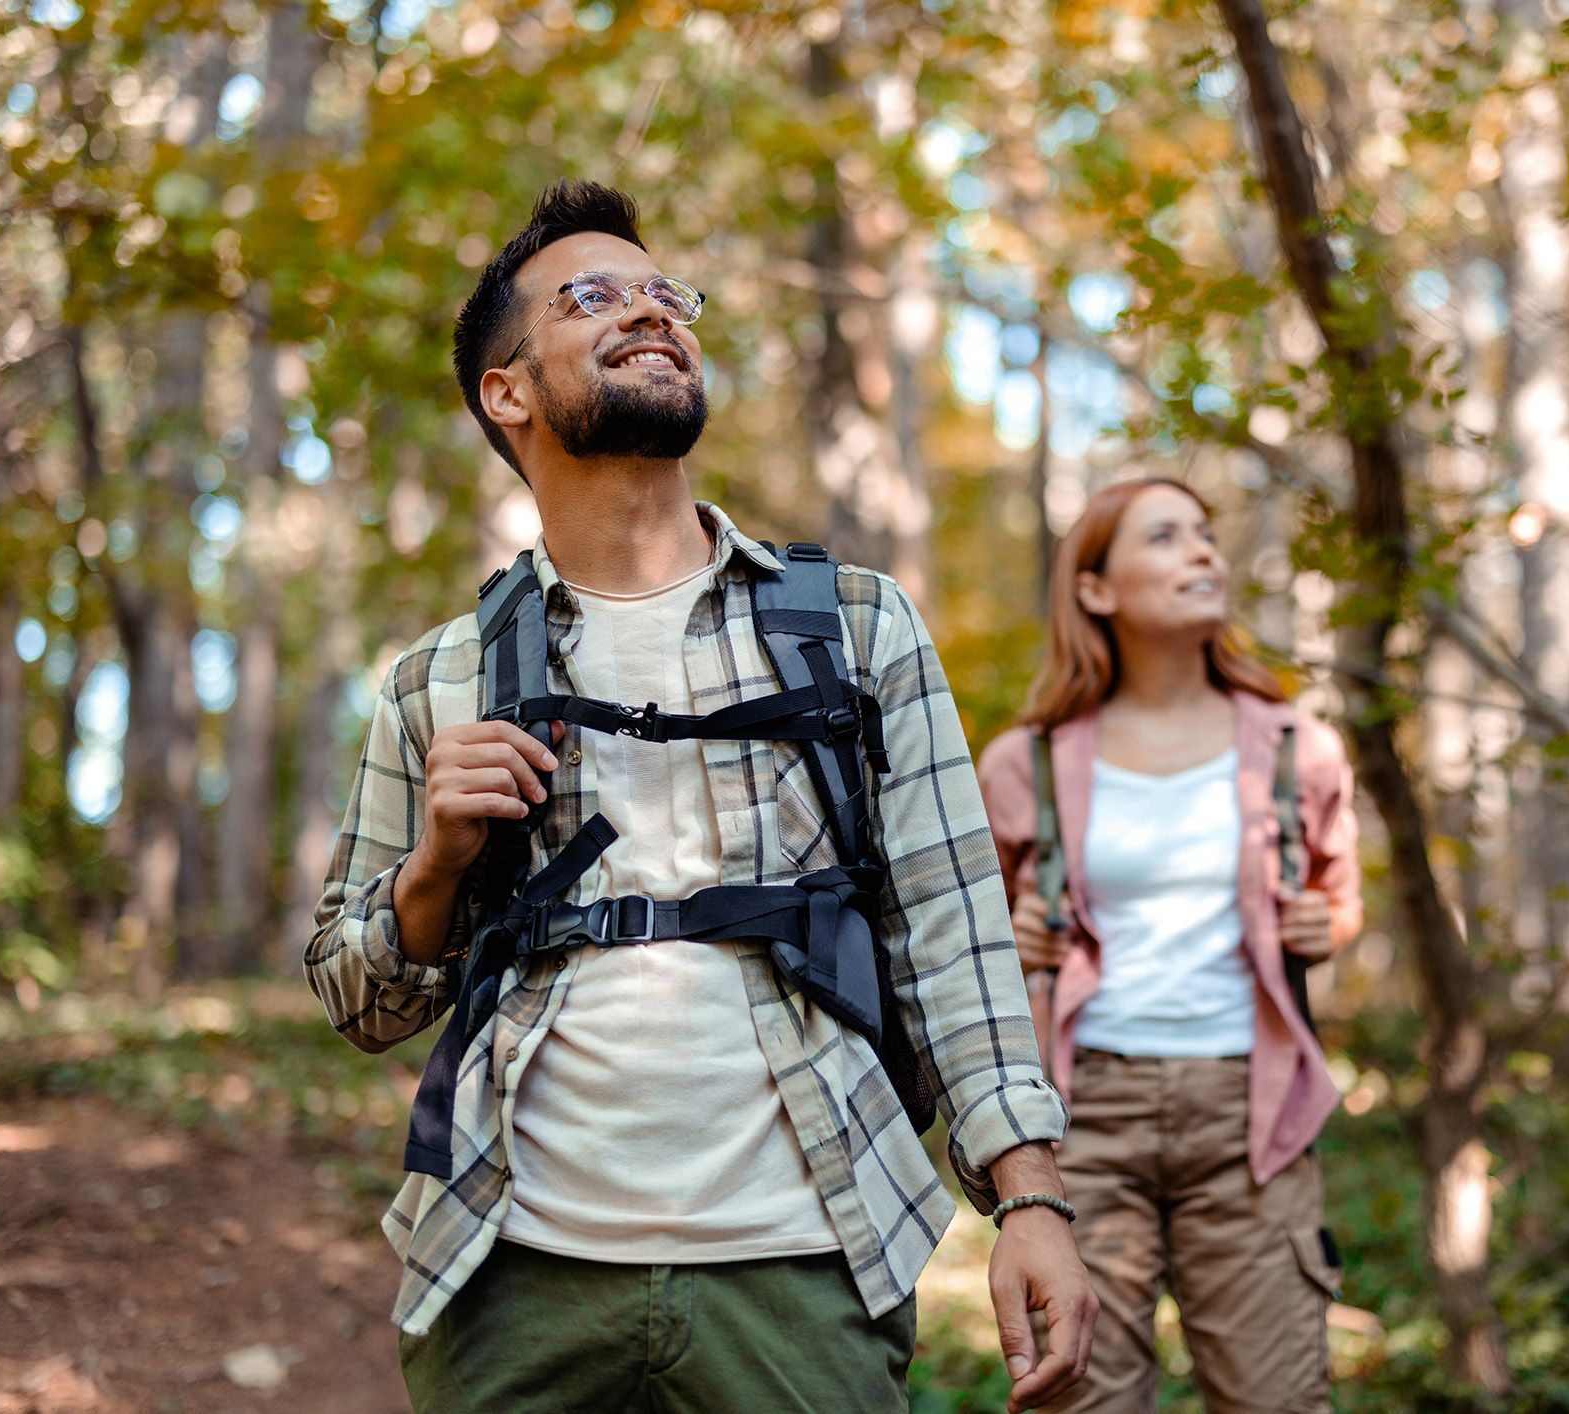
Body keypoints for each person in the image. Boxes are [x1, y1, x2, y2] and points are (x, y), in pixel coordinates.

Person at [307, 179, 1094, 1413]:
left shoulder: (853, 625)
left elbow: (953, 928)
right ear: (505, 391)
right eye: (592, 296)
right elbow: (356, 997)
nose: (650, 312)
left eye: (666, 293)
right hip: (509, 1273)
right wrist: (433, 869)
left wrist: (1031, 1195)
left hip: (802, 1265)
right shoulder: (439, 674)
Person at [976, 479, 1363, 1412]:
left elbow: (1339, 904)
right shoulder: (1023, 759)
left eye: (1205, 534)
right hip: (1081, 1118)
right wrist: (1016, 932)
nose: (1202, 553)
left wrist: (1324, 925)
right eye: (1165, 537)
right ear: (1097, 589)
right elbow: (969, 942)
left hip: (1249, 1116)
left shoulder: (1292, 747)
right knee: (1082, 1398)